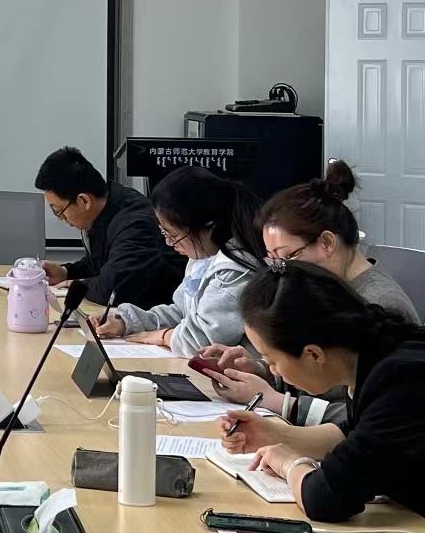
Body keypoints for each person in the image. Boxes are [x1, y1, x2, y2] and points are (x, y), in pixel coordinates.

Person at [201, 160, 419, 425]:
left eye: (287, 257)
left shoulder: (380, 304)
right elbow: (314, 369)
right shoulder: (320, 291)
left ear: (327, 242)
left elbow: (372, 413)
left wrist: (281, 403)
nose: (282, 271)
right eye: (272, 261)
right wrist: (265, 368)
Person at [219, 261, 425, 522]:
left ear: (313, 354)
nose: (274, 373)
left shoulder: (400, 379)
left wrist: (291, 465)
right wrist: (274, 434)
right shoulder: (374, 354)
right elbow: (355, 436)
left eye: (272, 361)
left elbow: (326, 499)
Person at [94, 166, 264, 357]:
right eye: (164, 232)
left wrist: (164, 336)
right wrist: (126, 322)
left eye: (173, 235)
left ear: (208, 227)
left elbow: (204, 341)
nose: (168, 242)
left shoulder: (235, 269)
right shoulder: (201, 258)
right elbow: (180, 312)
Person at [34, 147, 184, 310]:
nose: (62, 219)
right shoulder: (107, 208)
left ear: (84, 201)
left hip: (169, 317)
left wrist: (79, 285)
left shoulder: (135, 223)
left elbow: (113, 288)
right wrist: (66, 272)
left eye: (58, 211)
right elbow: (101, 264)